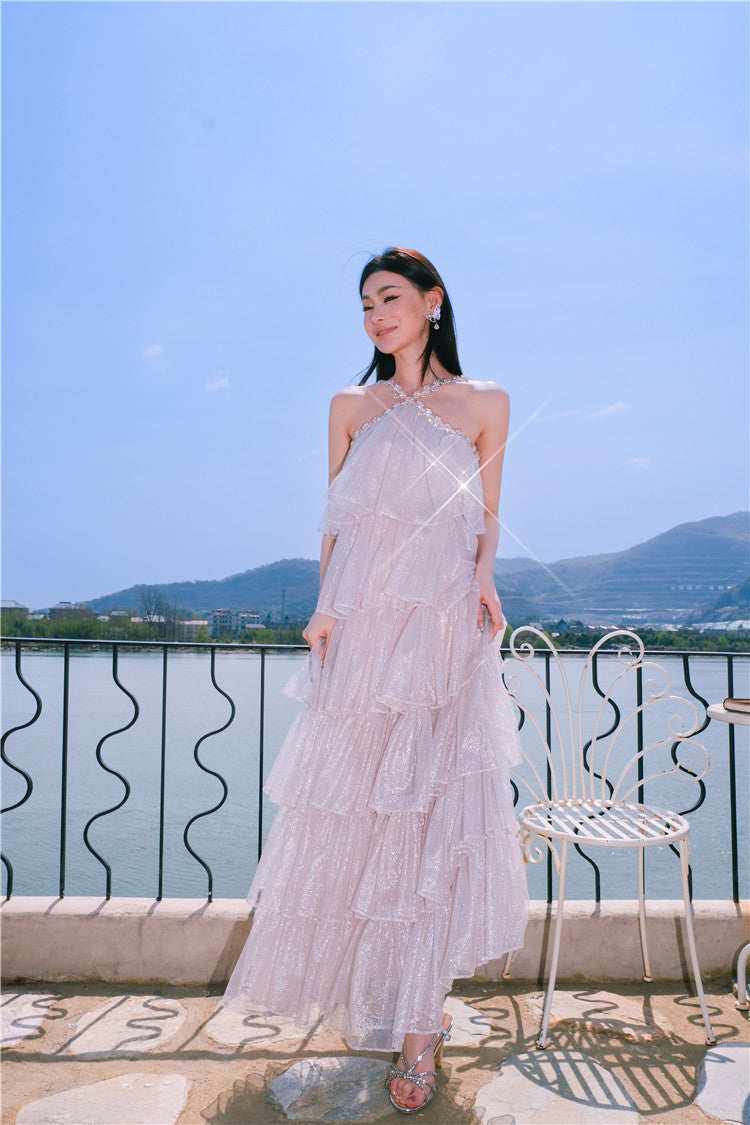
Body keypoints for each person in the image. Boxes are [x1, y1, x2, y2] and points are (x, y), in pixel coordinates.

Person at [222, 247, 529, 1114]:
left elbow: (489, 513)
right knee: (363, 819)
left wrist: (485, 576)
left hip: (443, 628)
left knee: (431, 823)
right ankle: (386, 1002)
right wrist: (326, 606)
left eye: (389, 297)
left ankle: (421, 1029)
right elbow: (336, 518)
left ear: (433, 302)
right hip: (364, 634)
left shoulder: (484, 402)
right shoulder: (351, 406)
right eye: (364, 304)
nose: (375, 315)